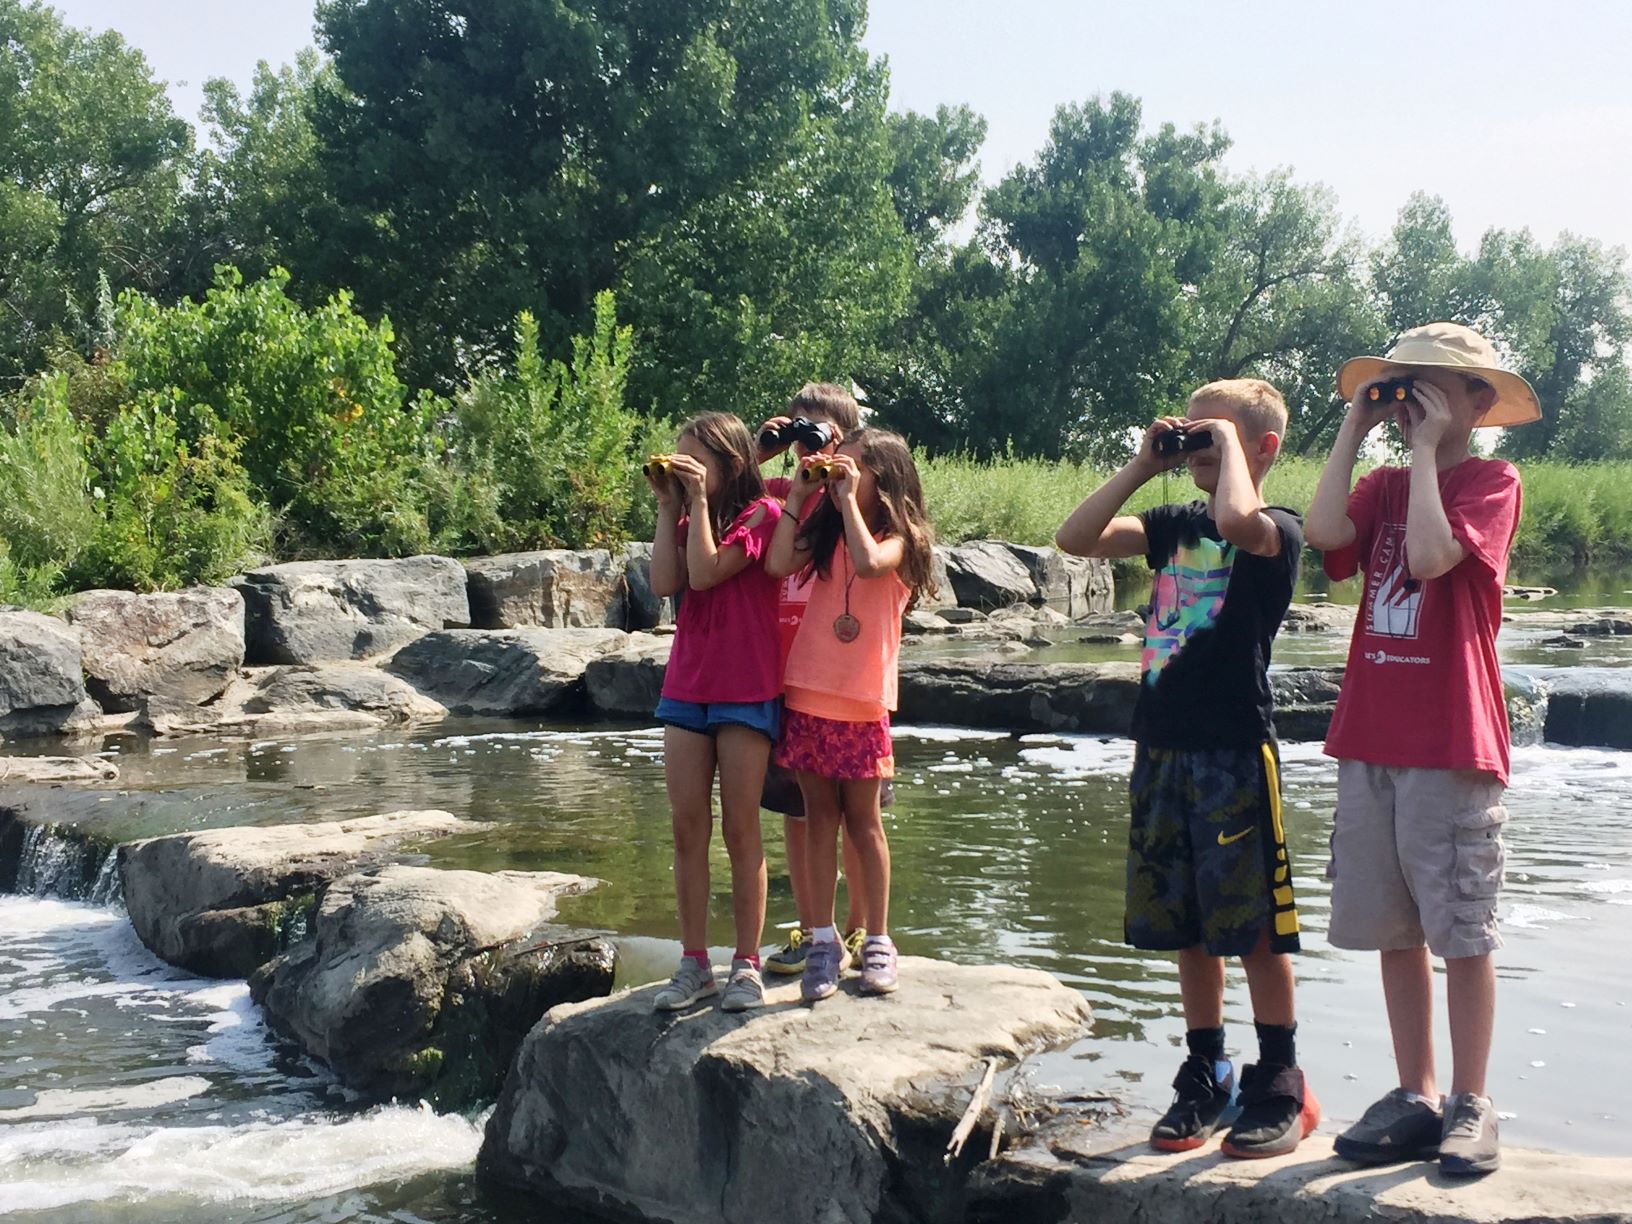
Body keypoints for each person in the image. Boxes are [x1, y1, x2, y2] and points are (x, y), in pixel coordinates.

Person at [1056, 378, 1316, 1159]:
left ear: (1260, 448)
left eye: (1215, 435)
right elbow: (1076, 538)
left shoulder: (1278, 528)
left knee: (1255, 928)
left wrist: (1231, 452)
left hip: (1236, 748)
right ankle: (1207, 1068)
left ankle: (1280, 1076)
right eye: (1192, 432)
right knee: (1187, 924)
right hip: (1162, 745)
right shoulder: (1170, 526)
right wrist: (1142, 465)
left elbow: (1238, 518)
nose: (1197, 444)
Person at [1306, 322, 1536, 1176]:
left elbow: (1435, 558)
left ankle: (1471, 1101)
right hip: (1370, 737)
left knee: (1462, 928)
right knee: (1393, 925)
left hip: (1450, 741)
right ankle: (1415, 1092)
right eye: (1405, 386)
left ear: (1478, 403)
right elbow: (1326, 536)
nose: (1416, 402)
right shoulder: (1381, 482)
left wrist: (1434, 455)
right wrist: (1353, 428)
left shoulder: (1490, 481)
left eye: (1435, 388)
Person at [766, 428, 935, 1001]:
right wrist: (799, 496)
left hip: (862, 703)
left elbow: (868, 565)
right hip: (808, 693)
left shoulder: (904, 539)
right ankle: (821, 939)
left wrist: (848, 500)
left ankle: (879, 940)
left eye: (854, 468)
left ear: (882, 478)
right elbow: (776, 562)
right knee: (818, 820)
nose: (841, 474)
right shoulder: (824, 526)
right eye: (840, 467)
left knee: (863, 823)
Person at [646, 412, 784, 1013]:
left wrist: (698, 503)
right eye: (678, 461)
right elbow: (663, 583)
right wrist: (666, 507)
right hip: (688, 684)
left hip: (746, 684)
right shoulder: (684, 516)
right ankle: (694, 962)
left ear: (729, 464)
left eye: (693, 462)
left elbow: (704, 575)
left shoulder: (762, 515)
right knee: (685, 829)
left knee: (740, 829)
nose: (683, 471)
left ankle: (746, 964)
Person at [754, 383, 872, 977]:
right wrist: (762, 450)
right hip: (784, 677)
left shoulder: (862, 500)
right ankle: (811, 928)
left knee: (857, 815)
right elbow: (728, 496)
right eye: (797, 430)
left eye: (818, 432)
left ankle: (860, 930)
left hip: (846, 681)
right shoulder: (783, 493)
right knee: (797, 816)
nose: (808, 445)